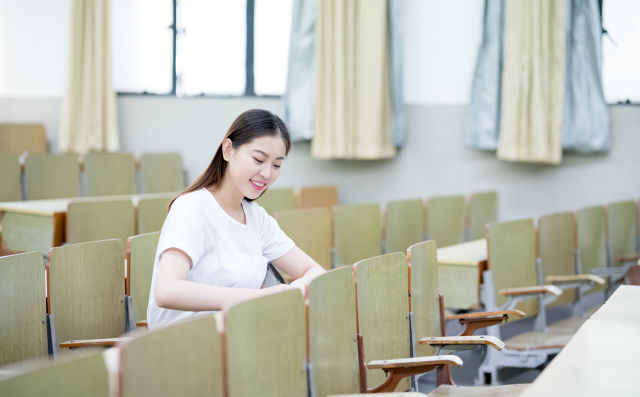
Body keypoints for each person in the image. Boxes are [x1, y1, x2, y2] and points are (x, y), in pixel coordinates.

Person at [147, 109, 325, 329]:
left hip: (235, 339)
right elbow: (167, 290)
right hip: (185, 344)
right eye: (258, 159)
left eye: (277, 165)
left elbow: (315, 272)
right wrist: (259, 297)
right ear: (228, 150)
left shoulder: (257, 218)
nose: (267, 173)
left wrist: (290, 292)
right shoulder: (191, 208)